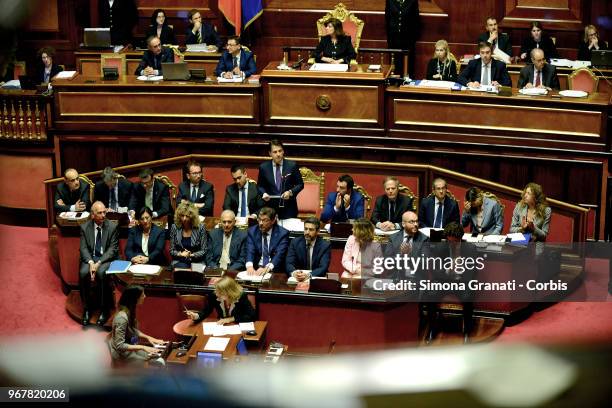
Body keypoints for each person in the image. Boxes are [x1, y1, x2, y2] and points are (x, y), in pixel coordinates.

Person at [79, 201, 118, 326]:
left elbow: (112, 250)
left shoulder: (112, 227)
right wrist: (91, 262)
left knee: (101, 273)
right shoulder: (85, 227)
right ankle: (87, 309)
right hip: (91, 258)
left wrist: (98, 263)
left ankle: (104, 309)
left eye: (104, 212)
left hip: (105, 259)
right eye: (99, 213)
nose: (103, 215)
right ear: (92, 215)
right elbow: (83, 249)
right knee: (83, 273)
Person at [109, 285, 166, 366]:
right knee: (157, 363)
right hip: (122, 355)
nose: (145, 296)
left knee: (158, 356)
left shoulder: (129, 311)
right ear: (134, 298)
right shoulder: (121, 317)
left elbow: (131, 330)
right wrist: (142, 347)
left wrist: (149, 338)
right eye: (142, 295)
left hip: (131, 348)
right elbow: (120, 345)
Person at [257, 140, 304, 220]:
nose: (278, 154)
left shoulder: (292, 165)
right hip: (270, 209)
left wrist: (290, 192)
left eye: (280, 151)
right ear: (270, 153)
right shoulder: (263, 167)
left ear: (283, 151)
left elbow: (300, 184)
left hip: (289, 208)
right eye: (275, 152)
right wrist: (263, 193)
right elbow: (260, 186)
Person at [185, 276, 256, 324]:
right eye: (216, 290)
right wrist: (196, 316)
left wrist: (231, 319)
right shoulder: (213, 296)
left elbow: (251, 316)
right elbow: (206, 311)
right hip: (221, 326)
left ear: (229, 292)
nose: (216, 293)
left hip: (237, 325)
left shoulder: (241, 296)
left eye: (219, 292)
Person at [384, 211, 430, 280]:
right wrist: (401, 254)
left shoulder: (424, 239)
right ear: (403, 224)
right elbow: (387, 260)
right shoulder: (393, 238)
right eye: (411, 222)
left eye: (416, 221)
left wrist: (409, 255)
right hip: (395, 278)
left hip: (415, 279)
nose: (415, 224)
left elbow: (425, 263)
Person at [245, 207, 289, 275]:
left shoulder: (282, 234)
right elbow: (250, 250)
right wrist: (249, 266)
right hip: (256, 269)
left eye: (265, 220)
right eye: (259, 219)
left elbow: (279, 255)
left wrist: (268, 268)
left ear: (273, 221)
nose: (260, 223)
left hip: (273, 270)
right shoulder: (252, 231)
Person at [385, 0, 419, 77]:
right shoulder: (390, 1)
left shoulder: (412, 1)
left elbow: (416, 20)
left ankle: (407, 81)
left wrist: (413, 38)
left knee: (408, 64)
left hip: (408, 39)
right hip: (394, 38)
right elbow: (387, 18)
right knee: (395, 64)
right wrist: (389, 36)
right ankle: (394, 82)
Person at [169, 202, 209, 268]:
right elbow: (172, 250)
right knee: (181, 271)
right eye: (182, 216)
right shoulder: (175, 227)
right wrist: (181, 254)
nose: (184, 219)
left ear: (192, 217)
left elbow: (204, 250)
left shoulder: (200, 228)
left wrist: (191, 255)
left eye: (187, 216)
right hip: (179, 260)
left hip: (197, 261)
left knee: (195, 274)